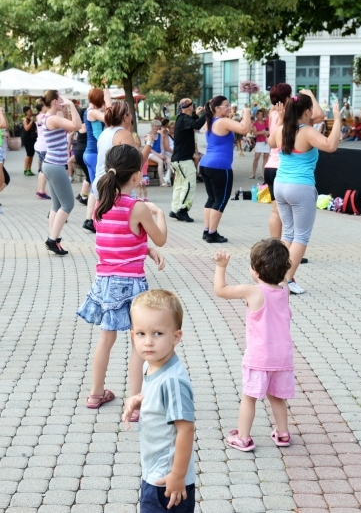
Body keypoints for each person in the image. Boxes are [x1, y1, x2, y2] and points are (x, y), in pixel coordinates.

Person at [78, 145, 167, 415]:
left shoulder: (100, 203)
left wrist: (144, 248)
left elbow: (118, 241)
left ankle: (95, 394)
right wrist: (159, 214)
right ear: (137, 176)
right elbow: (160, 238)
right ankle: (136, 402)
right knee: (138, 343)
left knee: (106, 339)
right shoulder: (136, 207)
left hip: (104, 280)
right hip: (130, 283)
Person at [212, 241, 294, 452]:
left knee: (249, 397)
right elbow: (282, 276)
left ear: (255, 271)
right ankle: (283, 433)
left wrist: (221, 266)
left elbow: (220, 290)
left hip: (259, 357)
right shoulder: (284, 290)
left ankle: (243, 437)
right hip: (283, 357)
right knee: (276, 396)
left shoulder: (254, 291)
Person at [122, 290, 195, 513]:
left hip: (166, 482)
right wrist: (139, 401)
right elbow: (159, 402)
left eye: (158, 333)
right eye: (142, 334)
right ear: (133, 336)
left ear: (176, 337)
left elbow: (186, 430)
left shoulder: (172, 381)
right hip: (153, 471)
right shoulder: (150, 364)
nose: (148, 342)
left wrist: (177, 475)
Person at [269, 90, 341, 294]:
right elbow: (331, 145)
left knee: (288, 233)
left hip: (280, 185)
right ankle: (285, 280)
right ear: (308, 111)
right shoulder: (307, 131)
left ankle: (277, 276)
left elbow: (271, 143)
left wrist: (281, 120)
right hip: (300, 187)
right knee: (300, 236)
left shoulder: (282, 129)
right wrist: (336, 119)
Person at [200, 95, 251, 243]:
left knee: (212, 198)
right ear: (217, 108)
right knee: (221, 200)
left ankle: (207, 230)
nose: (229, 108)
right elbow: (245, 129)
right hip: (219, 166)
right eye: (226, 106)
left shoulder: (210, 122)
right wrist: (246, 111)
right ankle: (212, 233)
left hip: (206, 164)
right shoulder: (222, 121)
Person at [38, 90, 82, 255]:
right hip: (55, 165)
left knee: (56, 205)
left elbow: (71, 124)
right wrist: (70, 105)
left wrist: (66, 109)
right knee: (68, 204)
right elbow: (77, 126)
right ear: (55, 101)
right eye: (61, 99)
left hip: (50, 164)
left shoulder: (46, 117)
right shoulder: (54, 118)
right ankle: (52, 240)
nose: (63, 101)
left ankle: (54, 240)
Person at [263, 83, 293, 241]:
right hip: (282, 167)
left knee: (276, 210)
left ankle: (275, 247)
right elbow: (317, 115)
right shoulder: (287, 114)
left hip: (270, 166)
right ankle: (289, 249)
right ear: (287, 97)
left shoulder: (271, 111)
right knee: (287, 211)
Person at [169, 99, 206, 222]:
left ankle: (175, 209)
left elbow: (191, 122)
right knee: (190, 184)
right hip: (183, 160)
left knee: (180, 185)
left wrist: (196, 114)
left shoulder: (181, 118)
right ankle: (182, 210)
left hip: (178, 160)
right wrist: (207, 113)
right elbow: (196, 124)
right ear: (189, 108)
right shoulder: (184, 119)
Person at [82, 88, 111, 233]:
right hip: (95, 153)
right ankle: (93, 219)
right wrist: (108, 102)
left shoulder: (88, 111)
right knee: (99, 187)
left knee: (95, 188)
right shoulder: (92, 112)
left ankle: (90, 220)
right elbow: (109, 119)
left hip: (90, 153)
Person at [33, 100, 51, 200]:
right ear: (41, 107)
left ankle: (40, 190)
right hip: (43, 146)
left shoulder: (40, 116)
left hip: (40, 145)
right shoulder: (42, 116)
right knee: (44, 170)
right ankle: (41, 191)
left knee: (42, 170)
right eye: (45, 105)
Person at [250, 109, 269, 179]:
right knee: (256, 157)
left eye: (261, 114)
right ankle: (253, 173)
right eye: (258, 114)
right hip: (259, 141)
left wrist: (266, 133)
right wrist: (263, 132)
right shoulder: (255, 123)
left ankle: (263, 174)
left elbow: (269, 131)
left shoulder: (266, 122)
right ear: (256, 115)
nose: (259, 116)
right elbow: (255, 133)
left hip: (266, 141)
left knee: (266, 157)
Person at [21, 105, 37, 176]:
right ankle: (25, 169)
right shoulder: (25, 119)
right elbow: (26, 128)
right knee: (28, 154)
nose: (31, 112)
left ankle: (29, 169)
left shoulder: (31, 119)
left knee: (31, 154)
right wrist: (31, 122)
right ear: (26, 112)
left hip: (33, 138)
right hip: (27, 138)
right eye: (30, 111)